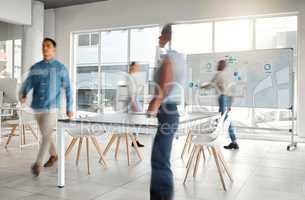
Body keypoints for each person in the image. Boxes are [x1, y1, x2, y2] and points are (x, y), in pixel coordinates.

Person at [20, 38, 73, 176]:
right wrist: (24, 93)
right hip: (37, 107)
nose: (45, 49)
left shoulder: (60, 68)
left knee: (46, 135)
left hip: (52, 107)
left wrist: (69, 107)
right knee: (45, 135)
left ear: (54, 49)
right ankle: (54, 155)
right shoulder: (35, 68)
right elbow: (28, 83)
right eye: (43, 46)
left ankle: (38, 164)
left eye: (48, 46)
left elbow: (68, 88)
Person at [148, 24, 186, 200]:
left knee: (160, 159)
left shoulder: (170, 57)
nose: (159, 39)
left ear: (168, 36)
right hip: (170, 111)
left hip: (167, 110)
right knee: (160, 157)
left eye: (161, 35)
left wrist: (156, 100)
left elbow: (166, 82)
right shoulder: (179, 57)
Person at [201, 60, 239, 150]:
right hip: (228, 98)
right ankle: (232, 141)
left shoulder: (219, 74)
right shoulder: (228, 76)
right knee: (224, 119)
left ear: (222, 66)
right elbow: (233, 91)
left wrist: (201, 86)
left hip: (223, 98)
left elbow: (210, 85)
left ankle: (229, 140)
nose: (217, 65)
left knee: (223, 119)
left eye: (218, 64)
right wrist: (230, 104)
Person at [127, 61, 145, 148]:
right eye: (136, 66)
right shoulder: (130, 77)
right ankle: (134, 141)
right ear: (131, 67)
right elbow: (131, 92)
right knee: (136, 120)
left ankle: (135, 140)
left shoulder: (133, 77)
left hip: (135, 99)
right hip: (133, 100)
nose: (138, 68)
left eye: (138, 67)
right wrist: (133, 103)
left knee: (137, 121)